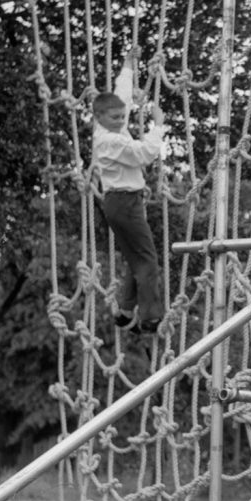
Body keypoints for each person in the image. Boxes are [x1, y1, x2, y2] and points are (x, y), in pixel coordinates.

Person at [91, 49, 167, 335]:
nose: (121, 120)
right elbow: (143, 154)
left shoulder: (112, 125)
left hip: (121, 202)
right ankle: (149, 319)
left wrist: (128, 63)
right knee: (147, 260)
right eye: (114, 117)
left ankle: (125, 312)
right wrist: (158, 125)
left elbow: (121, 94)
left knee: (136, 260)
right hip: (124, 204)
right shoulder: (108, 140)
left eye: (123, 116)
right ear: (98, 117)